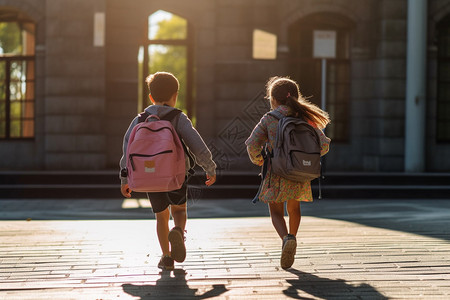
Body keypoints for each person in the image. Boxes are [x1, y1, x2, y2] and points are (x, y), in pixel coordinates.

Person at [119, 72, 217, 270]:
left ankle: (166, 257)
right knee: (179, 210)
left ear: (151, 97)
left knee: (160, 216)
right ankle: (179, 231)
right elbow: (196, 144)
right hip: (176, 175)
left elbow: (127, 148)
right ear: (175, 95)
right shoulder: (178, 117)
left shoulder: (139, 120)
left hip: (149, 177)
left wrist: (124, 177)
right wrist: (209, 167)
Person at [245, 76, 330, 270]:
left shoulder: (270, 119)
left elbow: (252, 144)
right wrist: (306, 158)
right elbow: (324, 144)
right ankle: (293, 235)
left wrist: (260, 160)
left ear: (273, 99)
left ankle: (286, 239)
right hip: (299, 172)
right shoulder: (305, 117)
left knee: (276, 211)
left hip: (276, 172)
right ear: (296, 97)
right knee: (294, 208)